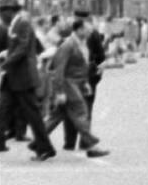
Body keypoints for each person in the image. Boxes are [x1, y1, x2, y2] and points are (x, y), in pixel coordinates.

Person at [0, 3, 56, 161]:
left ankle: (45, 148)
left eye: (2, 13)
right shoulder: (13, 25)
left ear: (10, 12)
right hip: (12, 78)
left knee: (33, 115)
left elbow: (22, 49)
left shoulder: (22, 24)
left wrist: (4, 65)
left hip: (23, 79)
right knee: (1, 113)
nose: (1, 17)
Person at [43, 17, 109, 157]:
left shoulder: (80, 44)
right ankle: (91, 146)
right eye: (86, 29)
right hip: (69, 85)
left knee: (56, 116)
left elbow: (81, 66)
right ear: (79, 30)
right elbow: (59, 70)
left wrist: (85, 83)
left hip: (77, 84)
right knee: (81, 112)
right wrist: (60, 91)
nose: (89, 31)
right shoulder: (68, 45)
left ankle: (38, 141)